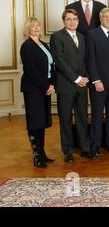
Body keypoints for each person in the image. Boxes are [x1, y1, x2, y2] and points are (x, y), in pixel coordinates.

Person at [50, 9, 93, 163]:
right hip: (66, 86)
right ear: (64, 21)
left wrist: (85, 78)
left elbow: (86, 59)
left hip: (82, 85)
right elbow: (59, 61)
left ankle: (85, 149)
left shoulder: (82, 37)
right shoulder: (57, 37)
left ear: (78, 21)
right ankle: (67, 152)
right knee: (66, 120)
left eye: (75, 19)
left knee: (82, 118)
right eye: (69, 19)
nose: (72, 22)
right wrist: (76, 78)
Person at [20, 18, 55, 168]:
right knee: (35, 122)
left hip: (46, 87)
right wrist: (45, 86)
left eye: (37, 25)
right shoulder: (26, 46)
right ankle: (37, 156)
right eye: (32, 26)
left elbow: (52, 65)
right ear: (27, 29)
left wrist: (52, 84)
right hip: (34, 88)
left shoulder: (44, 44)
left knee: (42, 122)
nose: (35, 28)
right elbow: (31, 71)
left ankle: (42, 154)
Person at [86, 8, 109, 156]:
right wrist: (95, 80)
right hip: (99, 83)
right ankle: (95, 145)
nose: (108, 19)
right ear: (100, 19)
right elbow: (90, 59)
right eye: (105, 17)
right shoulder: (92, 34)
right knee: (97, 115)